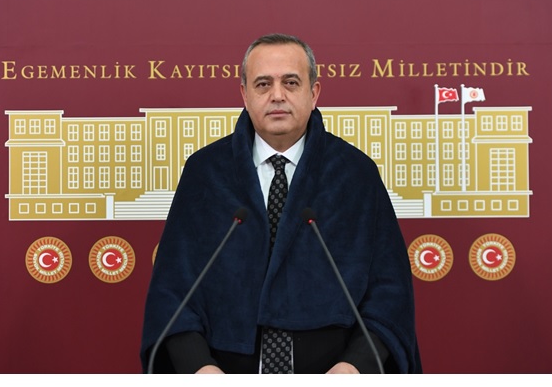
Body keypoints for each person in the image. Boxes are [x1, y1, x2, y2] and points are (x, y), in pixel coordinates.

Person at [140, 33, 421, 374]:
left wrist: (355, 365)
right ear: (244, 95)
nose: (277, 95)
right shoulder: (205, 172)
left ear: (313, 93)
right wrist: (199, 367)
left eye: (290, 82)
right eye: (263, 84)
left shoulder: (355, 173)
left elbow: (389, 291)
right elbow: (172, 289)